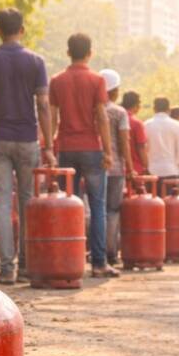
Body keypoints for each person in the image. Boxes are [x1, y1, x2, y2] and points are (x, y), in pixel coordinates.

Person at [0, 8, 53, 285]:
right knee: (27, 202)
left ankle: (7, 269)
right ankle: (26, 267)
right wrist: (49, 145)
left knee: (3, 202)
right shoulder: (36, 62)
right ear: (22, 30)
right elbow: (43, 105)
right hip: (27, 139)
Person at [49, 33, 119, 278]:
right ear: (90, 53)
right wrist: (108, 151)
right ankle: (99, 263)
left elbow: (52, 117)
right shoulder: (97, 80)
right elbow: (101, 117)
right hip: (91, 148)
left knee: (70, 207)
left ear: (68, 53)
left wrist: (50, 148)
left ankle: (71, 261)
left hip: (66, 149)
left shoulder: (57, 81)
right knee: (98, 206)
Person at [99, 69, 134, 266]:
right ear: (113, 91)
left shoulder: (92, 110)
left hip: (95, 166)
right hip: (116, 168)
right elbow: (124, 143)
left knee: (96, 209)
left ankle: (97, 252)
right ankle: (110, 253)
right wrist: (130, 168)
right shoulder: (119, 112)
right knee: (112, 210)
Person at [144, 97, 179, 187]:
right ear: (168, 110)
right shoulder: (177, 125)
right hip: (171, 171)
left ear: (154, 109)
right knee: (170, 196)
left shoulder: (146, 125)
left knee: (153, 196)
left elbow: (144, 148)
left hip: (152, 171)